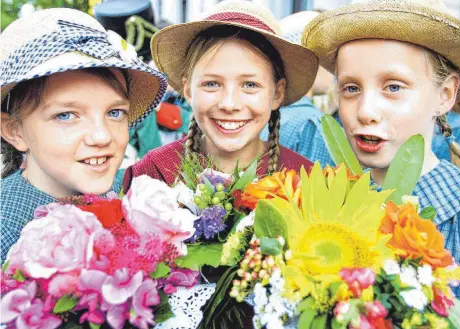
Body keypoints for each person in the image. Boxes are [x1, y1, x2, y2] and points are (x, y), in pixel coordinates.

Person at [303, 0, 460, 300]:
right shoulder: (325, 200)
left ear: (445, 95)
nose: (365, 111)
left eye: (393, 87)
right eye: (351, 88)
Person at [0, 8, 168, 260]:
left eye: (115, 113)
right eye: (66, 115)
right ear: (14, 131)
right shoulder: (6, 233)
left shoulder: (137, 196)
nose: (101, 137)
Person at [123, 0, 318, 191]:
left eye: (250, 85)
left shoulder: (305, 183)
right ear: (189, 90)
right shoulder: (152, 174)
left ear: (277, 93)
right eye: (212, 84)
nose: (229, 104)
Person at [260, 10, 334, 166]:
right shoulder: (313, 124)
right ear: (312, 62)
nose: (334, 69)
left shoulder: (259, 116)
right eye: (329, 59)